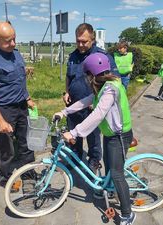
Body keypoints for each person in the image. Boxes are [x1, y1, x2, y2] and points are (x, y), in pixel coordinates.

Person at [54, 53, 135, 225]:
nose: (86, 78)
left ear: (91, 74)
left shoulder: (111, 89)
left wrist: (74, 132)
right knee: (108, 164)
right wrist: (65, 111)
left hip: (119, 136)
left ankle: (128, 214)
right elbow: (85, 101)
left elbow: (98, 115)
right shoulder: (103, 86)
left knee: (116, 173)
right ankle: (109, 189)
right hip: (110, 134)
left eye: (87, 75)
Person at [0, 22, 35, 186]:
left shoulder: (15, 54)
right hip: (4, 110)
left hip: (21, 107)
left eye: (14, 39)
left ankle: (28, 171)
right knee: (5, 146)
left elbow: (19, 80)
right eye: (8, 41)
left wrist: (27, 98)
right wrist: (0, 121)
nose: (13, 44)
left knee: (26, 142)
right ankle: (7, 176)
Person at [63, 23, 118, 172]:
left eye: (84, 41)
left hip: (93, 106)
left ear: (92, 39)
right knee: (73, 134)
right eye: (78, 41)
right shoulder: (73, 56)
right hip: (75, 104)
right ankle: (74, 156)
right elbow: (69, 77)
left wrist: (98, 101)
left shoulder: (102, 57)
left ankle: (94, 160)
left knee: (93, 137)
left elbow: (113, 81)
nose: (80, 44)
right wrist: (67, 92)